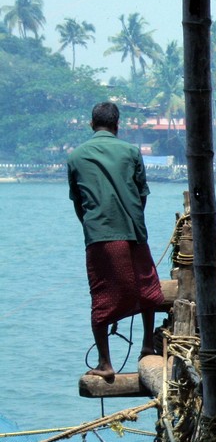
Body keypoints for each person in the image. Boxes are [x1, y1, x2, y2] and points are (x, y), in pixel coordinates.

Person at [67, 102, 161, 383]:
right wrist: (133, 218)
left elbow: (78, 202)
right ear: (117, 124)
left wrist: (91, 226)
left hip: (100, 235)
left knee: (102, 295)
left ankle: (105, 362)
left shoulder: (76, 157)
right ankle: (146, 344)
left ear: (91, 124)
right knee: (148, 289)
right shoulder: (131, 152)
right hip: (133, 231)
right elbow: (142, 193)